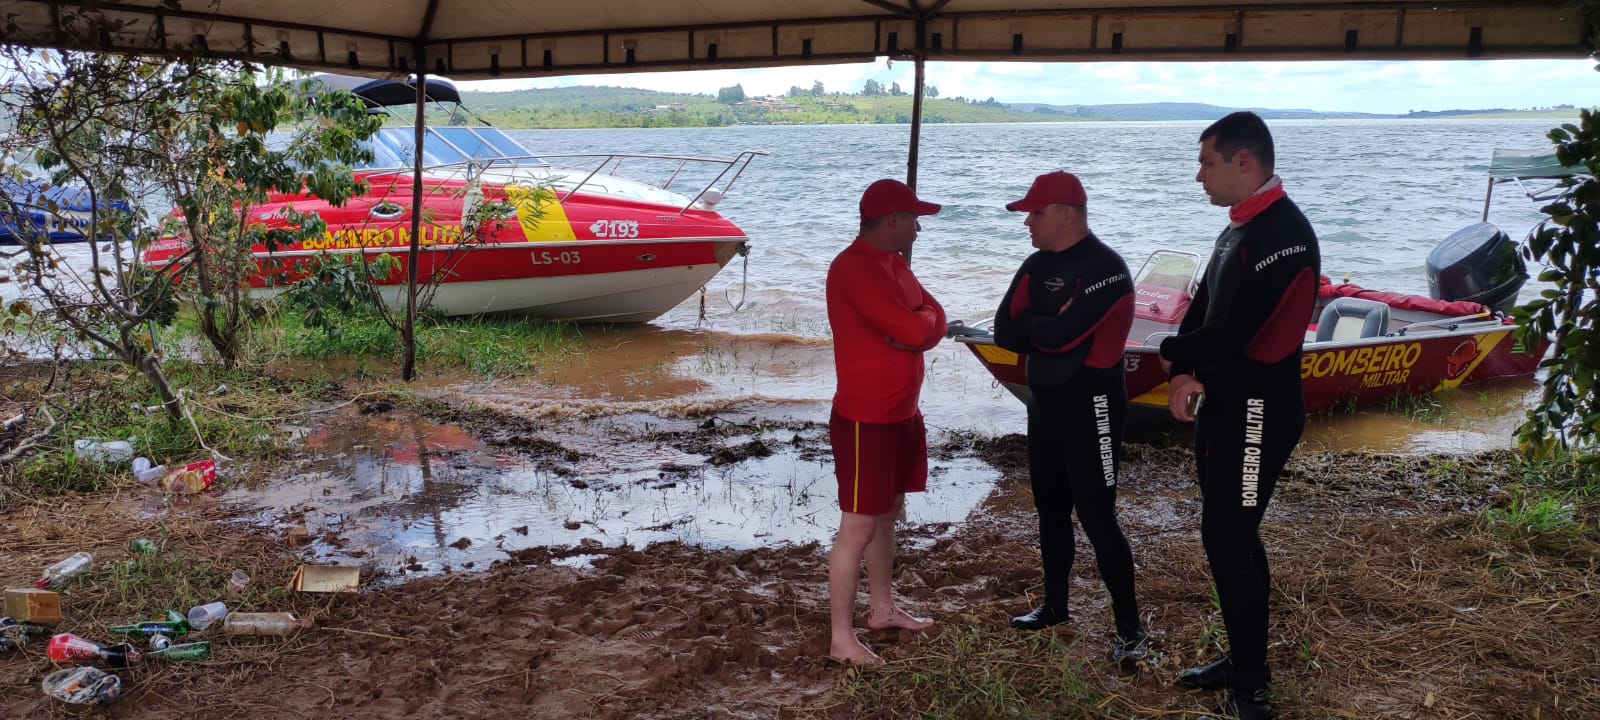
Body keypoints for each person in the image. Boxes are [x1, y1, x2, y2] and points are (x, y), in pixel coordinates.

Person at [1158, 112, 1321, 720]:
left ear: (1243, 161)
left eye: (1207, 163)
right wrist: (1181, 370)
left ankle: (1252, 686)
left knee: (1227, 535)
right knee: (1232, 533)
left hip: (1261, 411)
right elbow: (1203, 306)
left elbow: (1239, 329)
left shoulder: (1284, 231)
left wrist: (1170, 354)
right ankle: (1243, 657)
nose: (1199, 176)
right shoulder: (1240, 227)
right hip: (1226, 405)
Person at [991, 171, 1148, 669]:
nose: (1028, 223)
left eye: (1035, 213)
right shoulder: (1036, 265)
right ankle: (1055, 606)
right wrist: (1048, 324)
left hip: (1095, 406)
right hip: (1046, 403)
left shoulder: (1106, 268)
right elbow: (1002, 330)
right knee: (1051, 510)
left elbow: (1057, 336)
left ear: (1066, 212)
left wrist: (1039, 326)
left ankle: (1131, 630)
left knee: (1099, 517)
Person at [824, 178, 947, 665]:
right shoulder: (852, 268)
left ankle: (881, 609)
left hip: (902, 412)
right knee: (856, 529)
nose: (919, 227)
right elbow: (909, 326)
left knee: (888, 516)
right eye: (914, 218)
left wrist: (920, 328)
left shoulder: (894, 263)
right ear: (892, 221)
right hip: (865, 418)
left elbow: (933, 317)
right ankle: (841, 639)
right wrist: (915, 328)